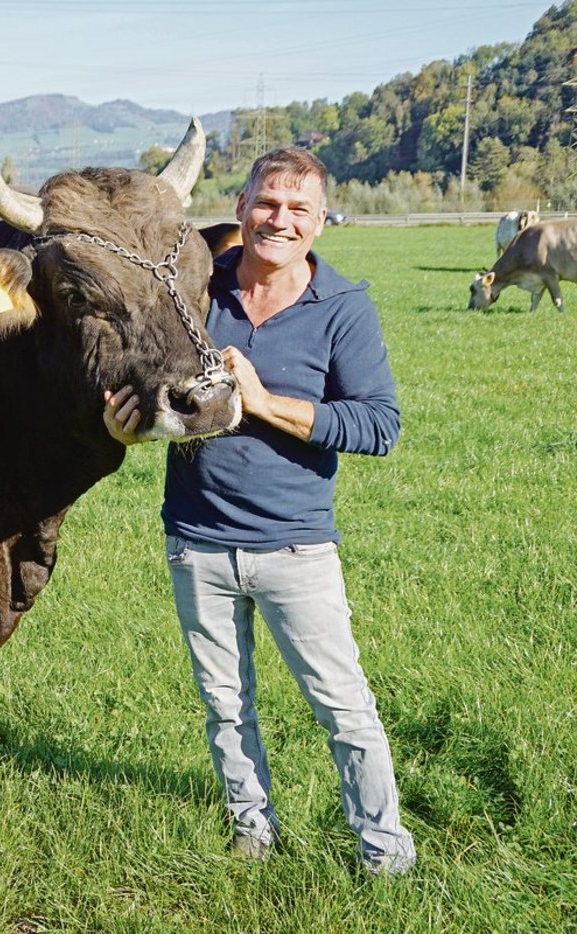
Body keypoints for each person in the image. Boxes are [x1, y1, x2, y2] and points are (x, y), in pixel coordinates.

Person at [105, 146, 415, 874]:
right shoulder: (196, 292)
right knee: (225, 704)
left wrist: (264, 402)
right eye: (268, 203)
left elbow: (379, 425)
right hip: (198, 542)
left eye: (298, 208)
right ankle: (253, 829)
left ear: (320, 222)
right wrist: (128, 425)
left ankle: (384, 852)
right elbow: (148, 383)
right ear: (241, 208)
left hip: (295, 549)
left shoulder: (342, 308)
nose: (280, 219)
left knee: (344, 709)